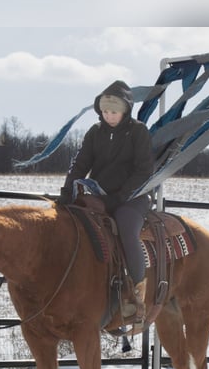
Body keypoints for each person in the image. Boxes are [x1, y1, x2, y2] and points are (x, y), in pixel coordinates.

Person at [58, 80, 154, 319]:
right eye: (105, 111)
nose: (109, 116)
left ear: (125, 110)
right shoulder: (95, 132)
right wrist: (67, 190)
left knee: (125, 226)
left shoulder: (138, 132)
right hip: (99, 195)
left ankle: (135, 293)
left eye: (114, 111)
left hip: (133, 198)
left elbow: (144, 171)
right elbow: (80, 164)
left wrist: (120, 198)